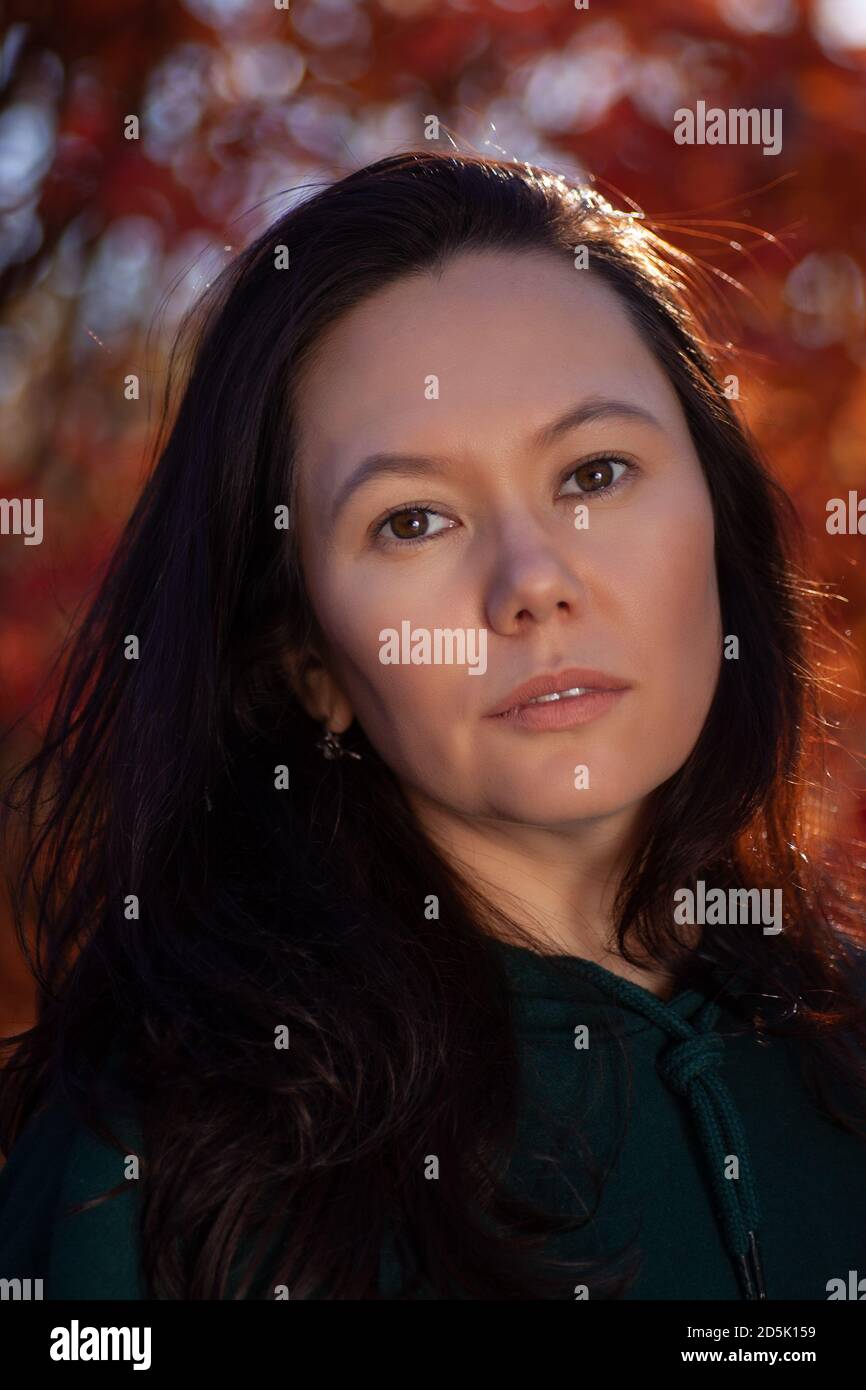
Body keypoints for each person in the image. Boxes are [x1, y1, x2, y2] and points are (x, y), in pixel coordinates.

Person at [1, 149, 864, 1301]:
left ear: (717, 517)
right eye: (411, 519)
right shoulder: (164, 1161)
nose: (531, 583)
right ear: (310, 662)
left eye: (595, 471)